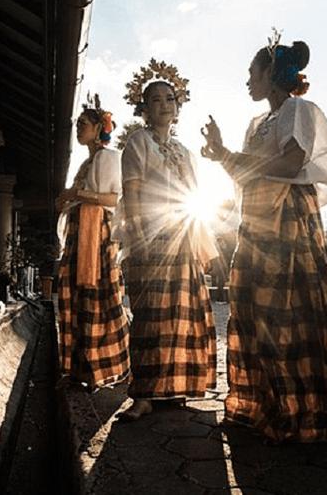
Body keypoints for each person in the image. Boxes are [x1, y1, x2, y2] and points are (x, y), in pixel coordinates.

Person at [201, 34, 327, 446]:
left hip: (287, 217)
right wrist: (220, 154)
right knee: (253, 307)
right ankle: (264, 405)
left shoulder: (297, 110)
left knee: (291, 307)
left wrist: (229, 154)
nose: (247, 80)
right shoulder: (256, 123)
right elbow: (246, 172)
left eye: (253, 72)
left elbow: (290, 162)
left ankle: (306, 411)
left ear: (271, 74)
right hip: (257, 220)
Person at [118, 61, 217, 421]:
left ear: (178, 106)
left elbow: (194, 194)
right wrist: (138, 235)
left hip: (182, 237)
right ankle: (143, 394)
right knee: (150, 316)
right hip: (151, 236)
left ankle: (175, 387)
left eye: (169, 99)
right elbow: (132, 191)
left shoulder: (184, 151)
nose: (164, 105)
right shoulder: (138, 143)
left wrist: (200, 239)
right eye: (155, 100)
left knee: (181, 315)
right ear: (144, 108)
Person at [55, 94, 131, 390]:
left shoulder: (108, 157)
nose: (79, 128)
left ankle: (107, 366)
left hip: (98, 234)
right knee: (76, 298)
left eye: (84, 124)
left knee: (102, 298)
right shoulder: (86, 162)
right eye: (78, 124)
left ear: (100, 127)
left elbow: (112, 199)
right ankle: (81, 369)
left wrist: (76, 195)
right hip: (80, 233)